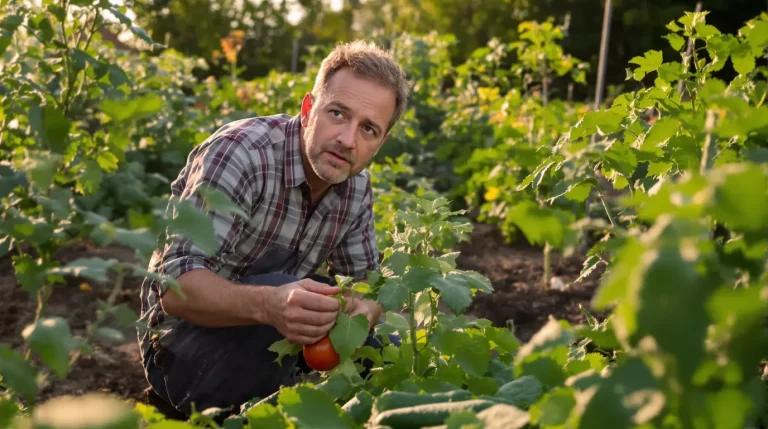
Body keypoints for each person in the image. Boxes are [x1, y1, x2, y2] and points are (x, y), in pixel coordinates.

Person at [137, 40, 410, 418]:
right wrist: (272, 305)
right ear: (308, 109)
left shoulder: (356, 188)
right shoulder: (241, 154)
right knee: (284, 289)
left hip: (278, 338)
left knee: (386, 347)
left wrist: (360, 310)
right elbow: (175, 291)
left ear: (380, 143)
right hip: (180, 349)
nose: (348, 140)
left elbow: (369, 287)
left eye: (368, 129)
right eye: (337, 114)